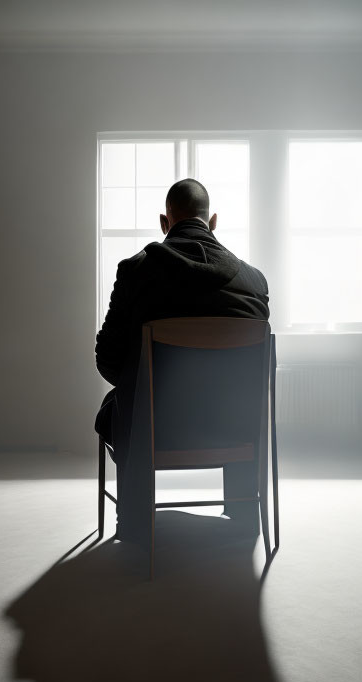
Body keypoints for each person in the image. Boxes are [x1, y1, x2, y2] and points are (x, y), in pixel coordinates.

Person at [95, 178, 269, 544]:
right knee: (239, 401)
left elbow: (109, 361)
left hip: (153, 430)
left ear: (165, 221)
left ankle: (137, 522)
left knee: (118, 403)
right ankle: (243, 509)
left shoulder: (136, 272)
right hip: (235, 430)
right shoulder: (253, 282)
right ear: (214, 222)